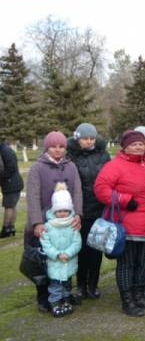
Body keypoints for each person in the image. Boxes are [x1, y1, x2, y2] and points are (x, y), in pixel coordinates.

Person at [94, 130, 145, 317]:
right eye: (134, 144)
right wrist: (124, 200)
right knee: (128, 263)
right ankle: (128, 300)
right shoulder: (115, 166)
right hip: (129, 225)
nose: (138, 146)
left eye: (141, 143)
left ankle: (140, 295)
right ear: (125, 147)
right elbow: (101, 189)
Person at [26, 131, 83, 313]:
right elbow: (33, 196)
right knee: (44, 261)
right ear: (47, 147)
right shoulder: (37, 167)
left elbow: (77, 192)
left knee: (67, 257)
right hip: (44, 221)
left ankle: (64, 294)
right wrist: (37, 222)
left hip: (67, 221)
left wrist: (78, 215)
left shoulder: (71, 166)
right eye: (53, 146)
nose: (58, 150)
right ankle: (44, 297)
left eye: (61, 146)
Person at [66, 123, 111, 301]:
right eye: (85, 138)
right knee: (82, 249)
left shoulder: (103, 155)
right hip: (81, 209)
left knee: (96, 249)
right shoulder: (71, 156)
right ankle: (81, 285)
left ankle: (93, 284)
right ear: (78, 139)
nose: (89, 142)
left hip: (100, 209)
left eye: (92, 138)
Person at [40, 183, 82, 317]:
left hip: (69, 261)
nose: (62, 213)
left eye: (65, 210)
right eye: (59, 211)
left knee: (67, 284)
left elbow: (77, 242)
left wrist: (68, 253)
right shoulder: (48, 226)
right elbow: (45, 244)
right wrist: (57, 254)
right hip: (55, 262)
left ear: (69, 210)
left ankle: (66, 301)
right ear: (54, 211)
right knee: (55, 286)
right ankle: (55, 304)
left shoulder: (73, 225)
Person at [0, 140, 23, 237]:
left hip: (11, 183)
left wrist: (3, 179)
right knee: (13, 206)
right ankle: (11, 227)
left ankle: (6, 229)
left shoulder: (4, 151)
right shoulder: (6, 149)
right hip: (15, 182)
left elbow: (10, 167)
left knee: (8, 206)